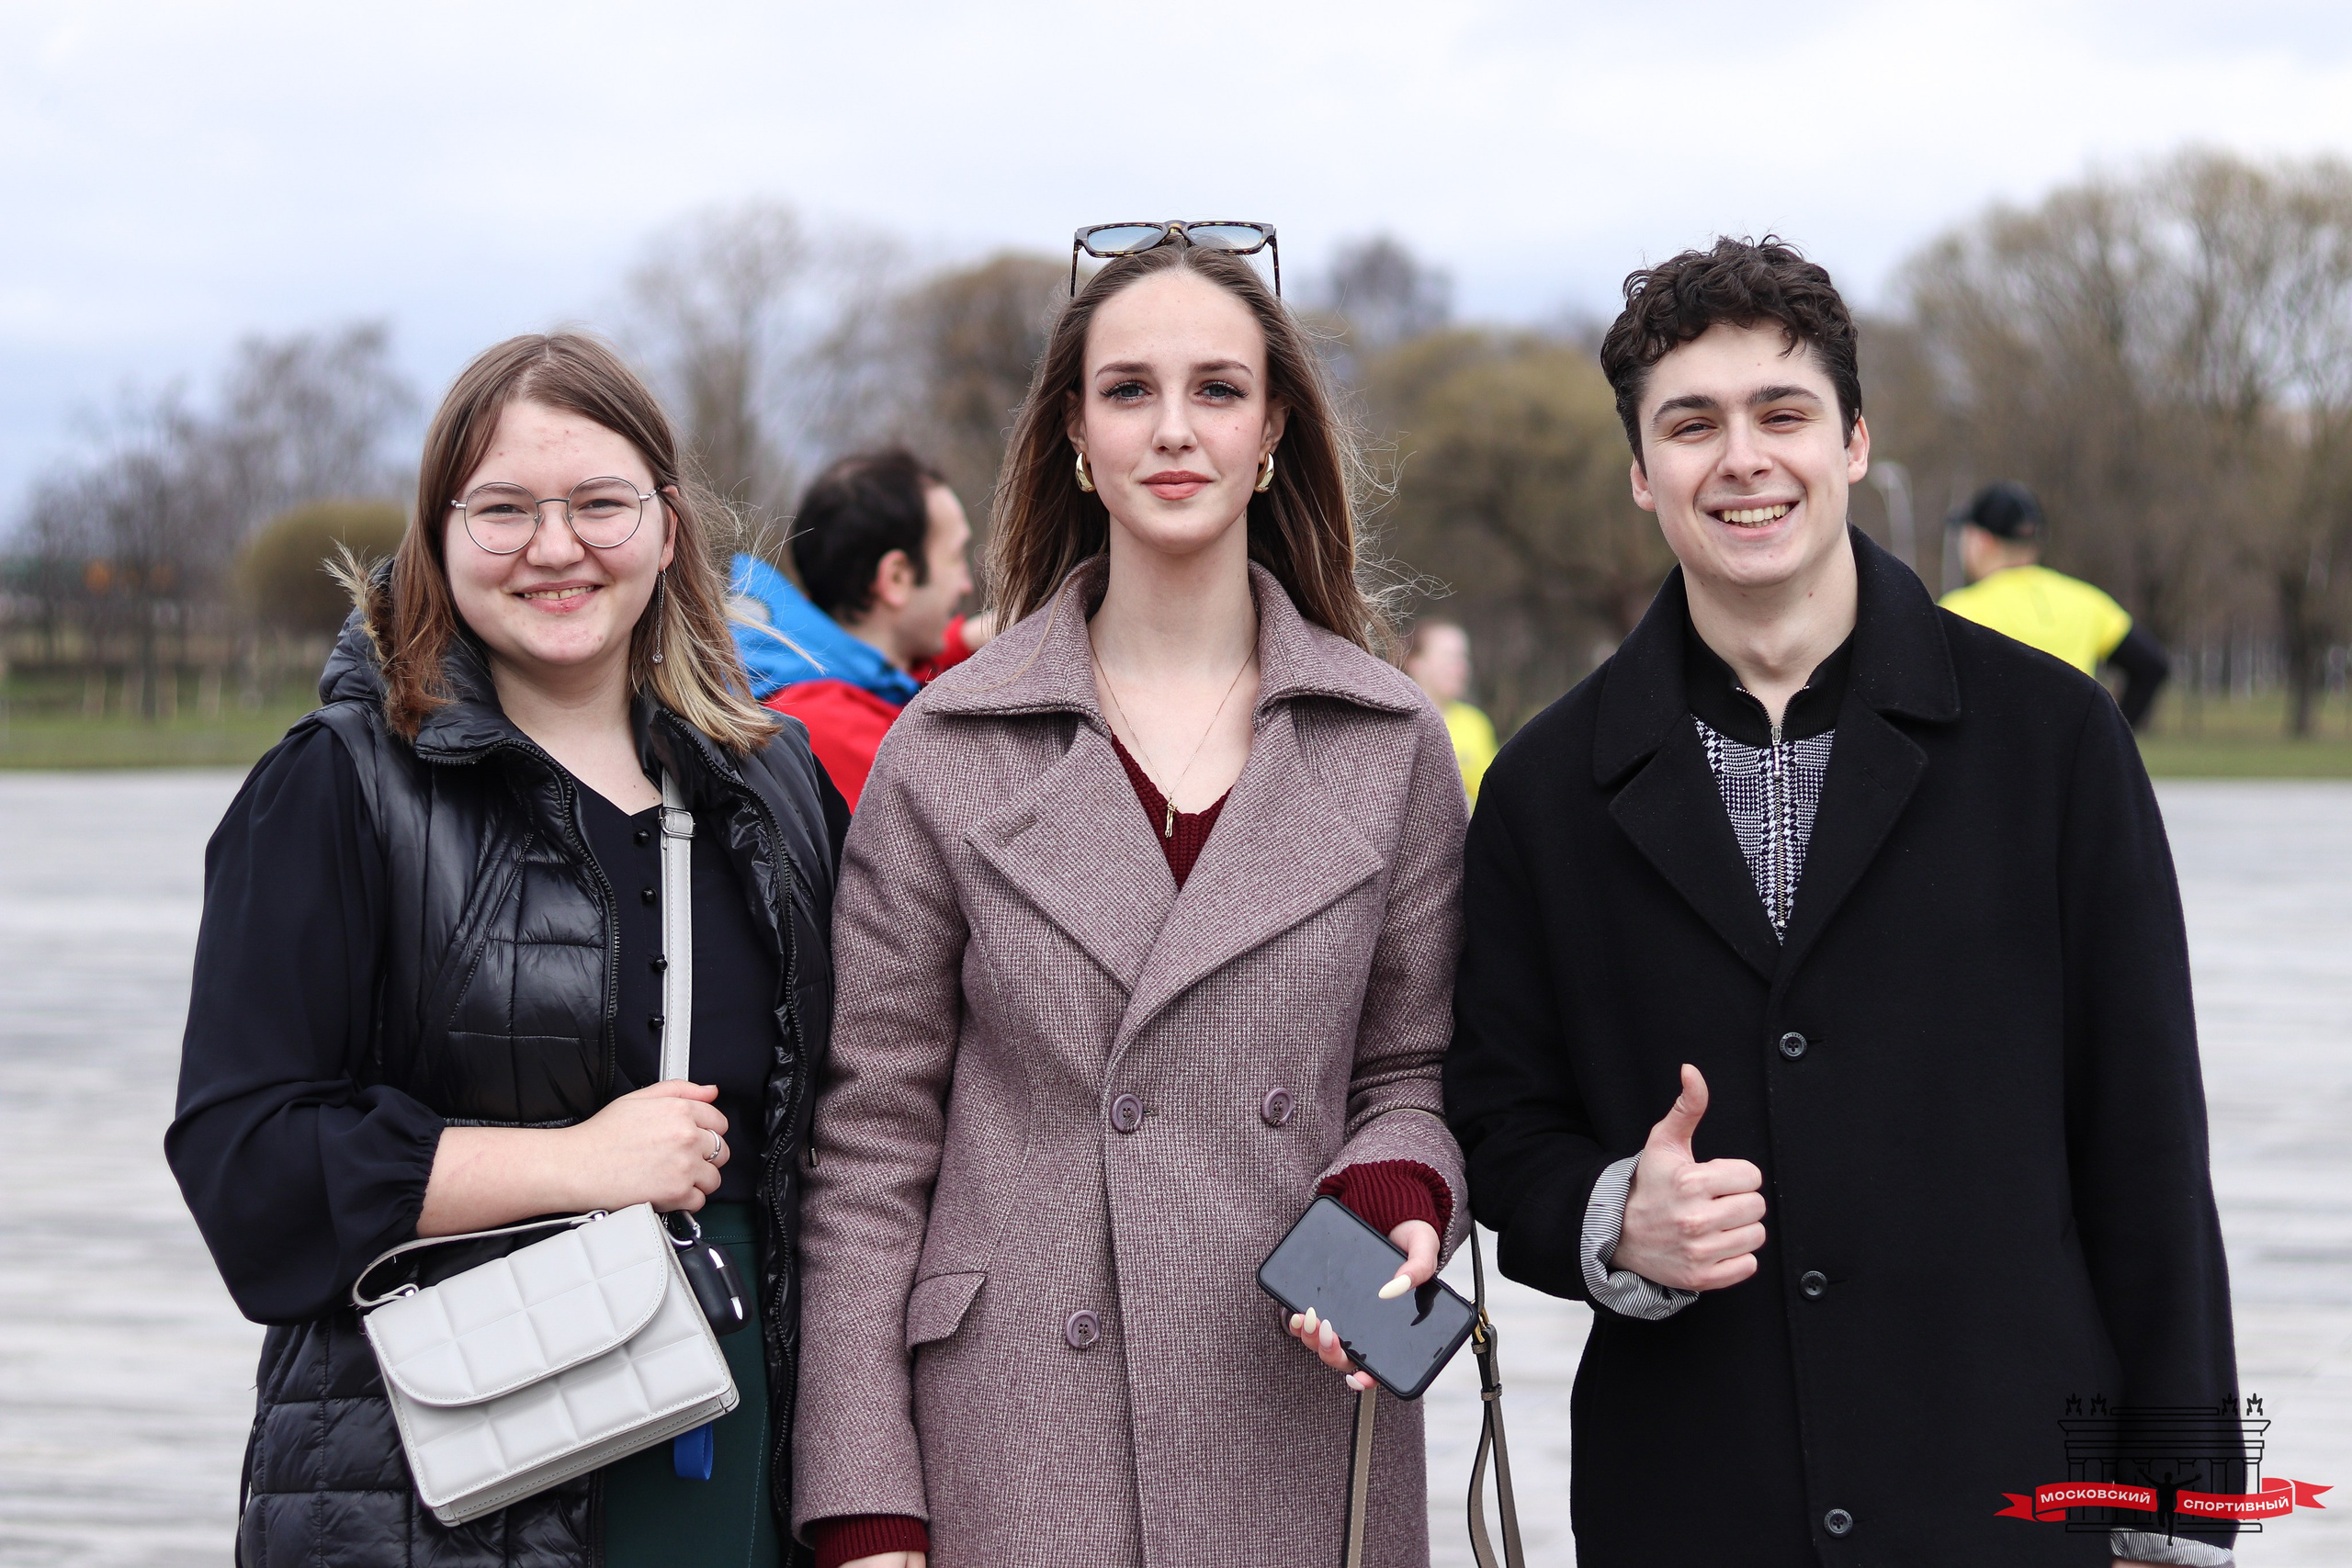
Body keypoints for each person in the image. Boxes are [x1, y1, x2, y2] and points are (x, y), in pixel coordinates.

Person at [1442, 240, 2237, 1568]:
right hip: (1690, 1497)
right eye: (1691, 424)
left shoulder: (2054, 741)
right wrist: (1609, 1214)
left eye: (1783, 412)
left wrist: (2181, 1512)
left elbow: (2147, 1132)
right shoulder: (1543, 787)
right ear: (1643, 474)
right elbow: (1497, 1115)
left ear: (1855, 442)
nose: (1742, 458)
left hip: (2012, 1492)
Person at [789, 232, 1469, 1568]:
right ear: (1073, 436)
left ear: (1274, 429)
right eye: (1127, 390)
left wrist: (1398, 1180)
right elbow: (867, 1151)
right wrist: (866, 1508)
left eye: (1217, 389)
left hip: (1291, 1411)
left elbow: (1412, 1068)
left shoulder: (1388, 739)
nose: (1174, 429)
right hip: (1014, 1435)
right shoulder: (947, 744)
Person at [165, 333, 845, 1568]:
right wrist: (574, 1161)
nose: (554, 546)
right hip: (447, 1476)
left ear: (669, 523)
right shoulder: (336, 788)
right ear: (437, 531)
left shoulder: (775, 783)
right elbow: (245, 1159)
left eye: (599, 503)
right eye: (505, 509)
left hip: (742, 1437)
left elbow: (870, 1130)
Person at [729, 449, 992, 807]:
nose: (964, 584)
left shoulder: (815, 677)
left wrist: (965, 641)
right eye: (956, 557)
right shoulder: (835, 736)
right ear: (896, 578)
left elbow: (879, 670)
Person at [1939, 479, 2170, 728]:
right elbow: (2151, 666)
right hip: (2073, 760)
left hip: (1995, 761)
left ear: (1983, 541)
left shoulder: (1959, 611)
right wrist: (2111, 737)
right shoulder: (2086, 601)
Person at [1403, 618, 1498, 801]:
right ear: (1415, 662)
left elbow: (1490, 796)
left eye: (1463, 657)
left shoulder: (1476, 723)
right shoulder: (1396, 720)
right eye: (1449, 657)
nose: (1461, 667)